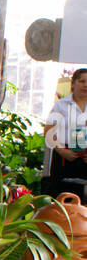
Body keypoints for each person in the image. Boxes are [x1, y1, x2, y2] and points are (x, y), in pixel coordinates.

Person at [43, 68, 87, 196]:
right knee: (62, 196)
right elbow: (48, 131)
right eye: (82, 81)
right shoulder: (61, 105)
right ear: (73, 83)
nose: (85, 85)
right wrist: (62, 150)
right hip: (64, 157)